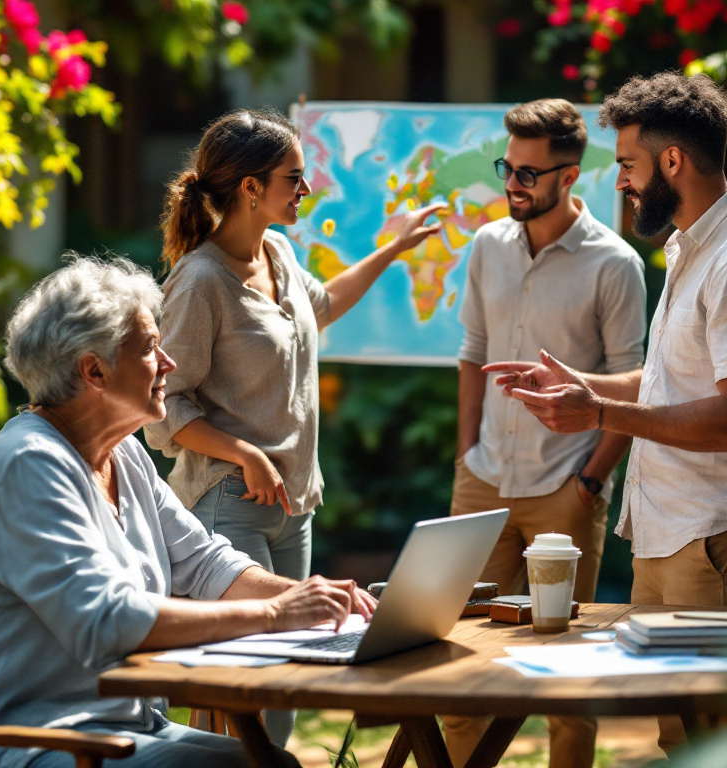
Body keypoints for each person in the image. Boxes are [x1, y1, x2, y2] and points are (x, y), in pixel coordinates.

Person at [0, 257, 376, 768]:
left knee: (274, 764)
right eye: (149, 347)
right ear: (93, 370)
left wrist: (318, 600)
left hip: (105, 726)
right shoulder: (30, 464)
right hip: (7, 741)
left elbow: (206, 562)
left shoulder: (121, 453)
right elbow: (108, 621)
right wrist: (277, 615)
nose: (168, 362)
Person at [485, 72, 727, 755]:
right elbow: (673, 381)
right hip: (674, 536)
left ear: (672, 162)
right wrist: (583, 383)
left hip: (721, 537)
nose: (621, 182)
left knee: (722, 746)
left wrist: (597, 412)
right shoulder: (693, 247)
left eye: (628, 165)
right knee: (681, 741)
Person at [142, 108, 443, 746]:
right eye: (293, 178)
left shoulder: (277, 252)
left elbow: (323, 303)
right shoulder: (198, 282)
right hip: (229, 503)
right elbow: (164, 407)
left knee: (285, 685)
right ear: (250, 186)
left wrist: (392, 247)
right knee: (239, 688)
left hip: (294, 504)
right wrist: (243, 451)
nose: (305, 191)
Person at [442, 98, 646, 768]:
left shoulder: (615, 265)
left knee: (567, 675)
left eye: (530, 173)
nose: (513, 184)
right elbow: (473, 351)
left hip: (566, 487)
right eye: (509, 167)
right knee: (458, 657)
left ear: (571, 175)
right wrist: (465, 454)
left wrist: (589, 482)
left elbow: (633, 380)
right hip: (483, 479)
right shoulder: (486, 246)